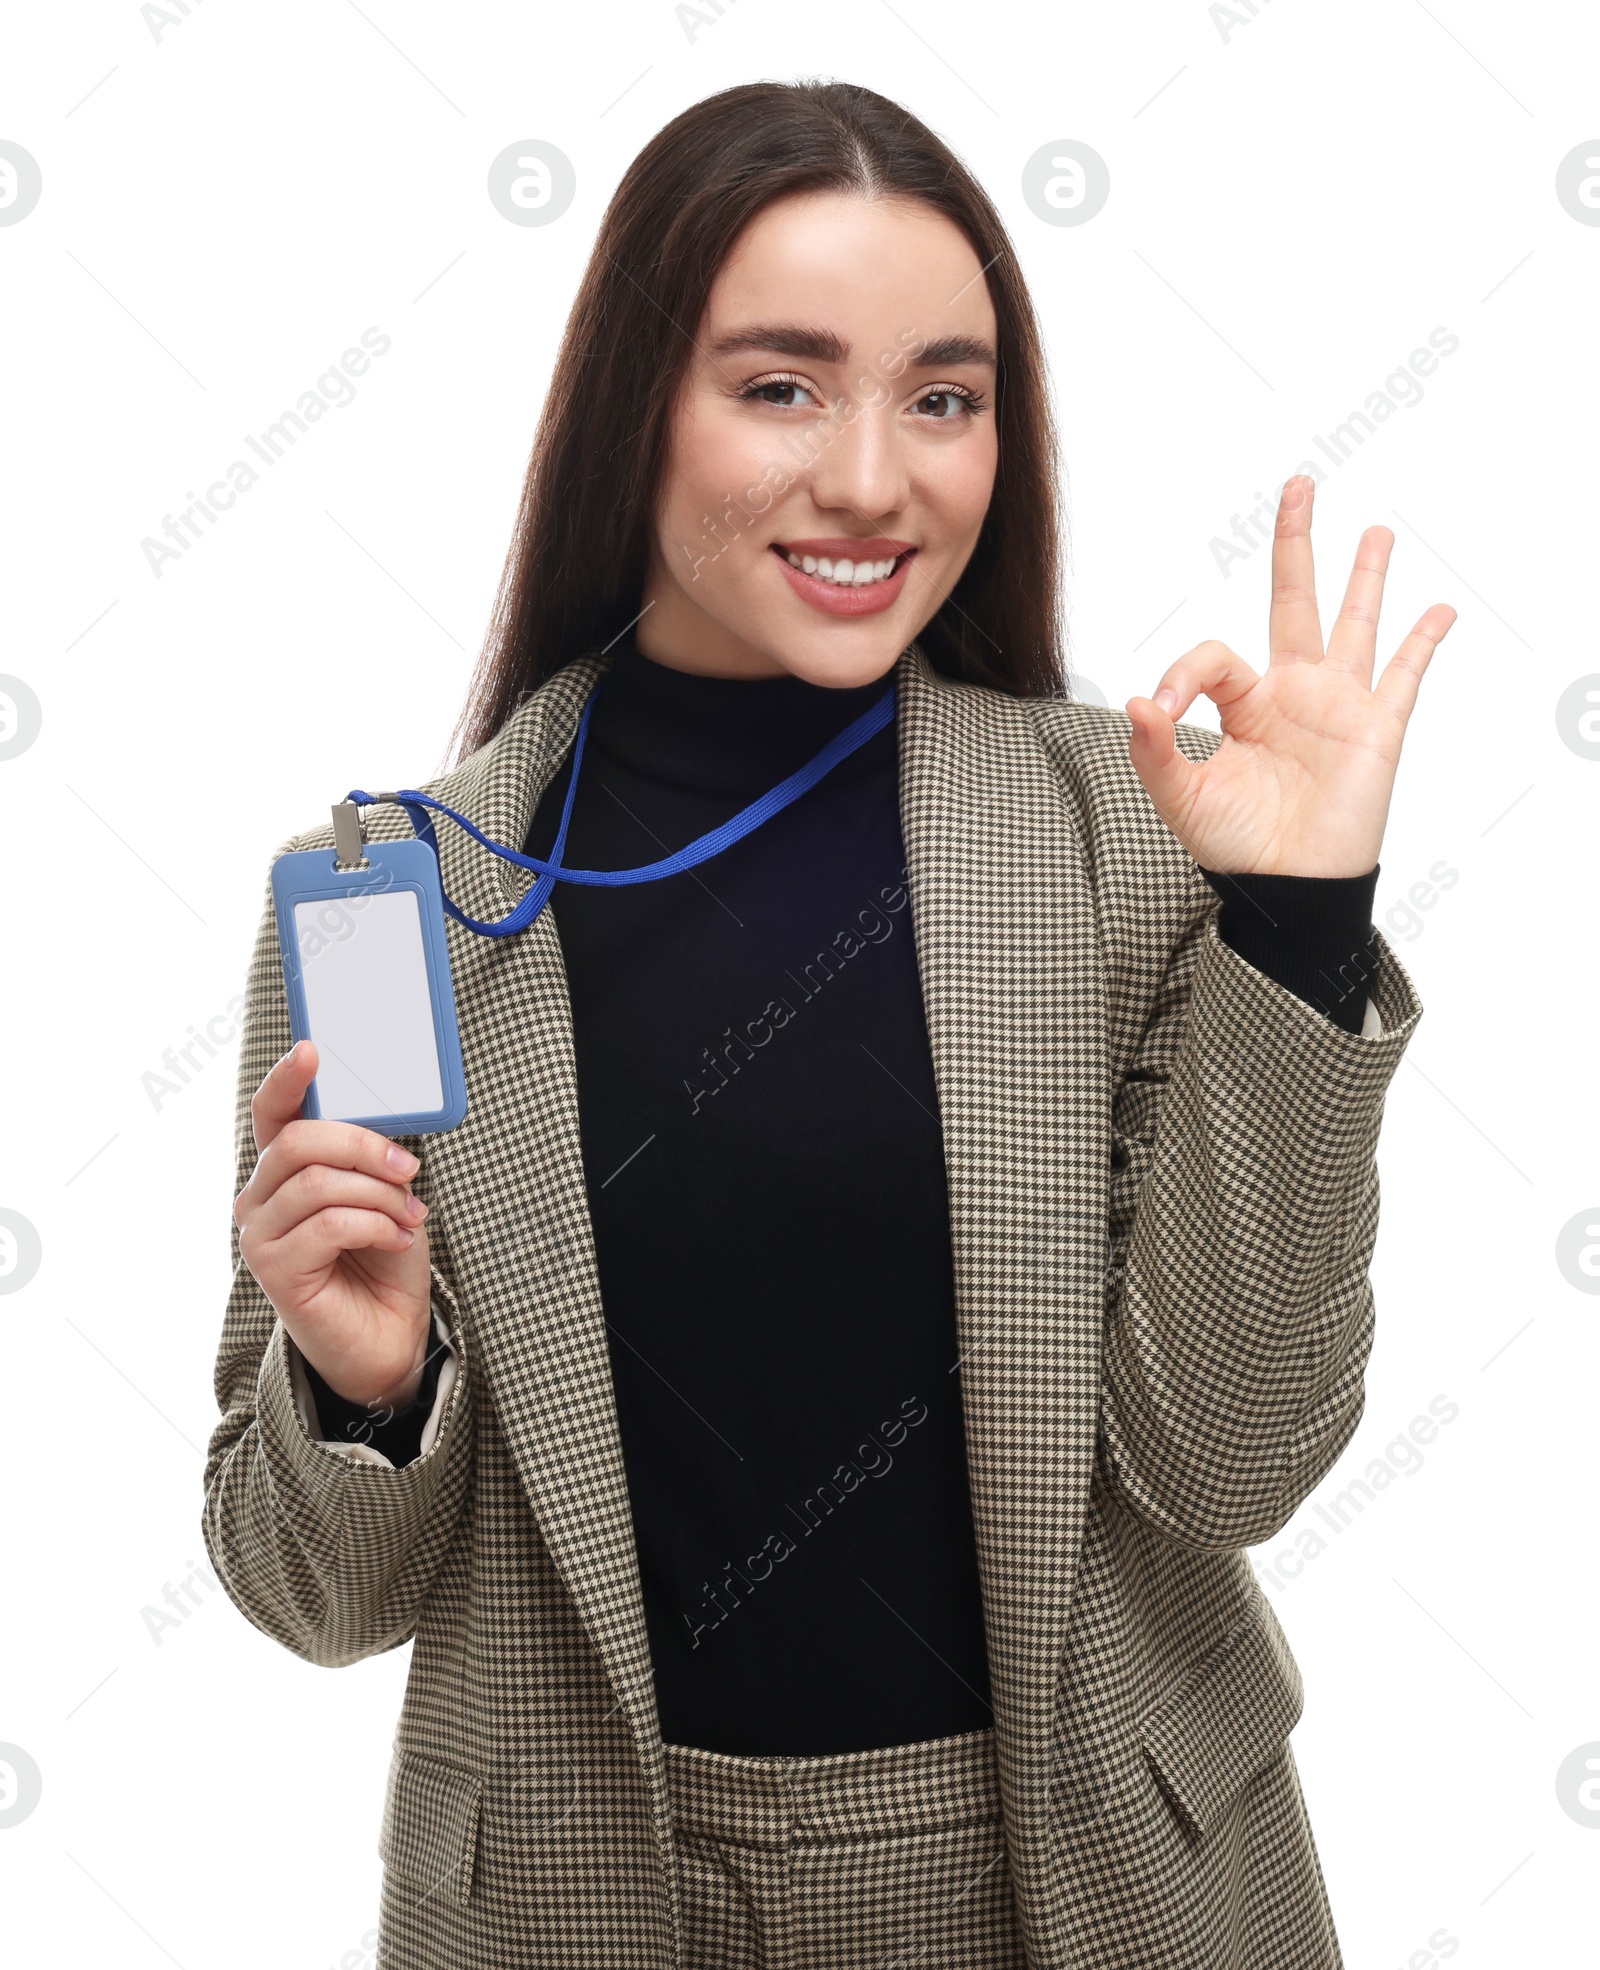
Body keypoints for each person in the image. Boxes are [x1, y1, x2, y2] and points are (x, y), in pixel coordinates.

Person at [204, 78, 1452, 1970]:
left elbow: (1233, 1459)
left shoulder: (1131, 836)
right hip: (582, 1893)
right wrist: (367, 1388)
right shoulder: (389, 910)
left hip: (1093, 1875)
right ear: (640, 406)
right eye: (781, 385)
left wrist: (1297, 919)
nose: (875, 479)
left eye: (942, 397)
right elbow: (318, 1597)